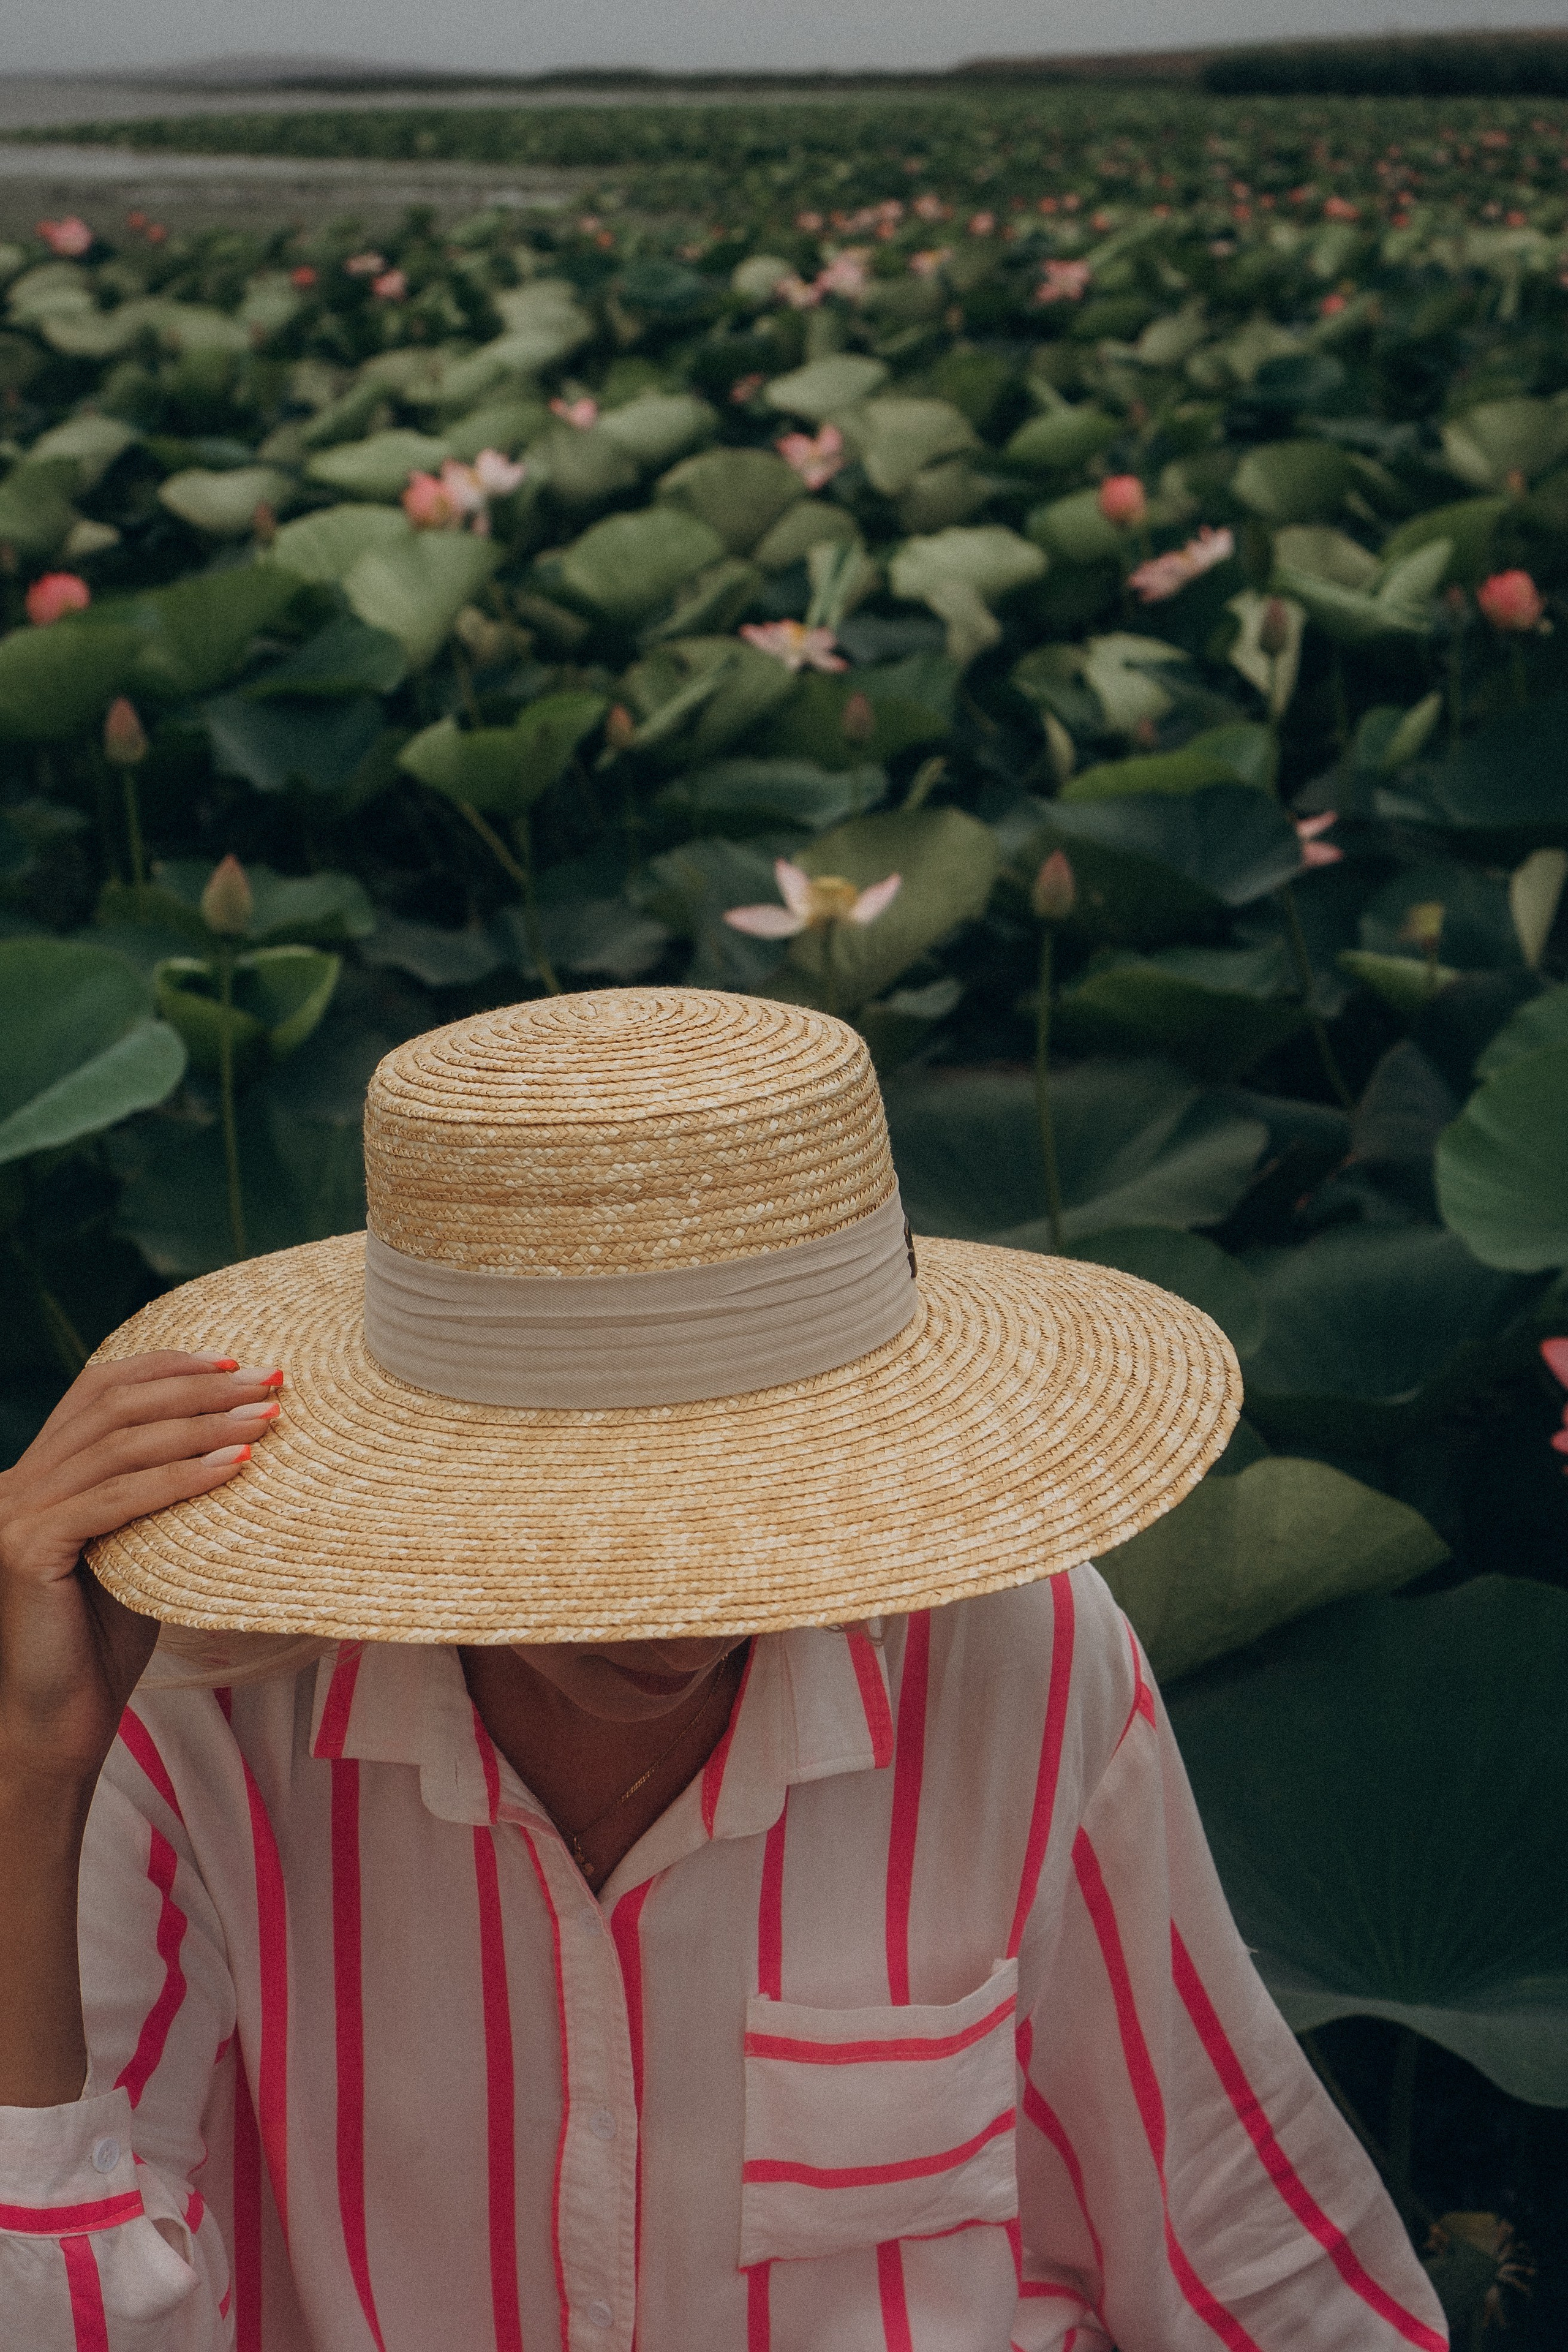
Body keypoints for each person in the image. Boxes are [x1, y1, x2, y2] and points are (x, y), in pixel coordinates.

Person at [0, 988, 1445, 2352]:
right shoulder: (193, 1707)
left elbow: (1227, 2239)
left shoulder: (1014, 1651)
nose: (682, 1614)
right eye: (575, 1522)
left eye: (756, 1502)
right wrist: (26, 1781)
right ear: (417, 1471)